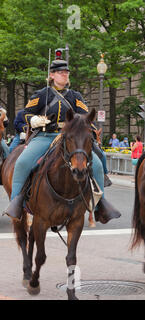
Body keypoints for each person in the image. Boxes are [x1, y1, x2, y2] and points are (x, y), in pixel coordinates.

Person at [3, 58, 120, 223]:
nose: (64, 75)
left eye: (66, 72)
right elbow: (26, 113)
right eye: (60, 72)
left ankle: (100, 205)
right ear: (52, 75)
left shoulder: (75, 96)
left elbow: (86, 117)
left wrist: (85, 128)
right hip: (45, 136)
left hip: (70, 137)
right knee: (22, 162)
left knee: (99, 164)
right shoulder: (41, 94)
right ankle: (16, 203)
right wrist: (35, 120)